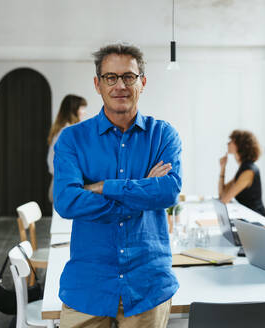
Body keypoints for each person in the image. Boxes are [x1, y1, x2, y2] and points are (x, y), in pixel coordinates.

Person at [53, 43, 182, 328]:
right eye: (111, 77)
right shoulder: (72, 139)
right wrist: (142, 190)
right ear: (98, 84)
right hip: (88, 284)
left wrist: (102, 187)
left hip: (147, 284)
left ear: (143, 82)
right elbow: (66, 201)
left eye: (129, 77)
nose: (120, 85)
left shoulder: (163, 136)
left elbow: (169, 191)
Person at [218, 130, 265, 218]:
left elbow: (224, 199)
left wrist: (223, 198)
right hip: (248, 218)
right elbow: (222, 194)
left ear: (240, 145)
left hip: (258, 220)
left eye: (231, 141)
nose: (228, 143)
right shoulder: (243, 168)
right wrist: (223, 168)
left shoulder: (248, 171)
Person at [47, 94, 87, 203]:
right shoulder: (67, 132)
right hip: (65, 185)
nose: (84, 112)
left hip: (60, 183)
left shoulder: (63, 130)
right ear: (74, 110)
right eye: (82, 108)